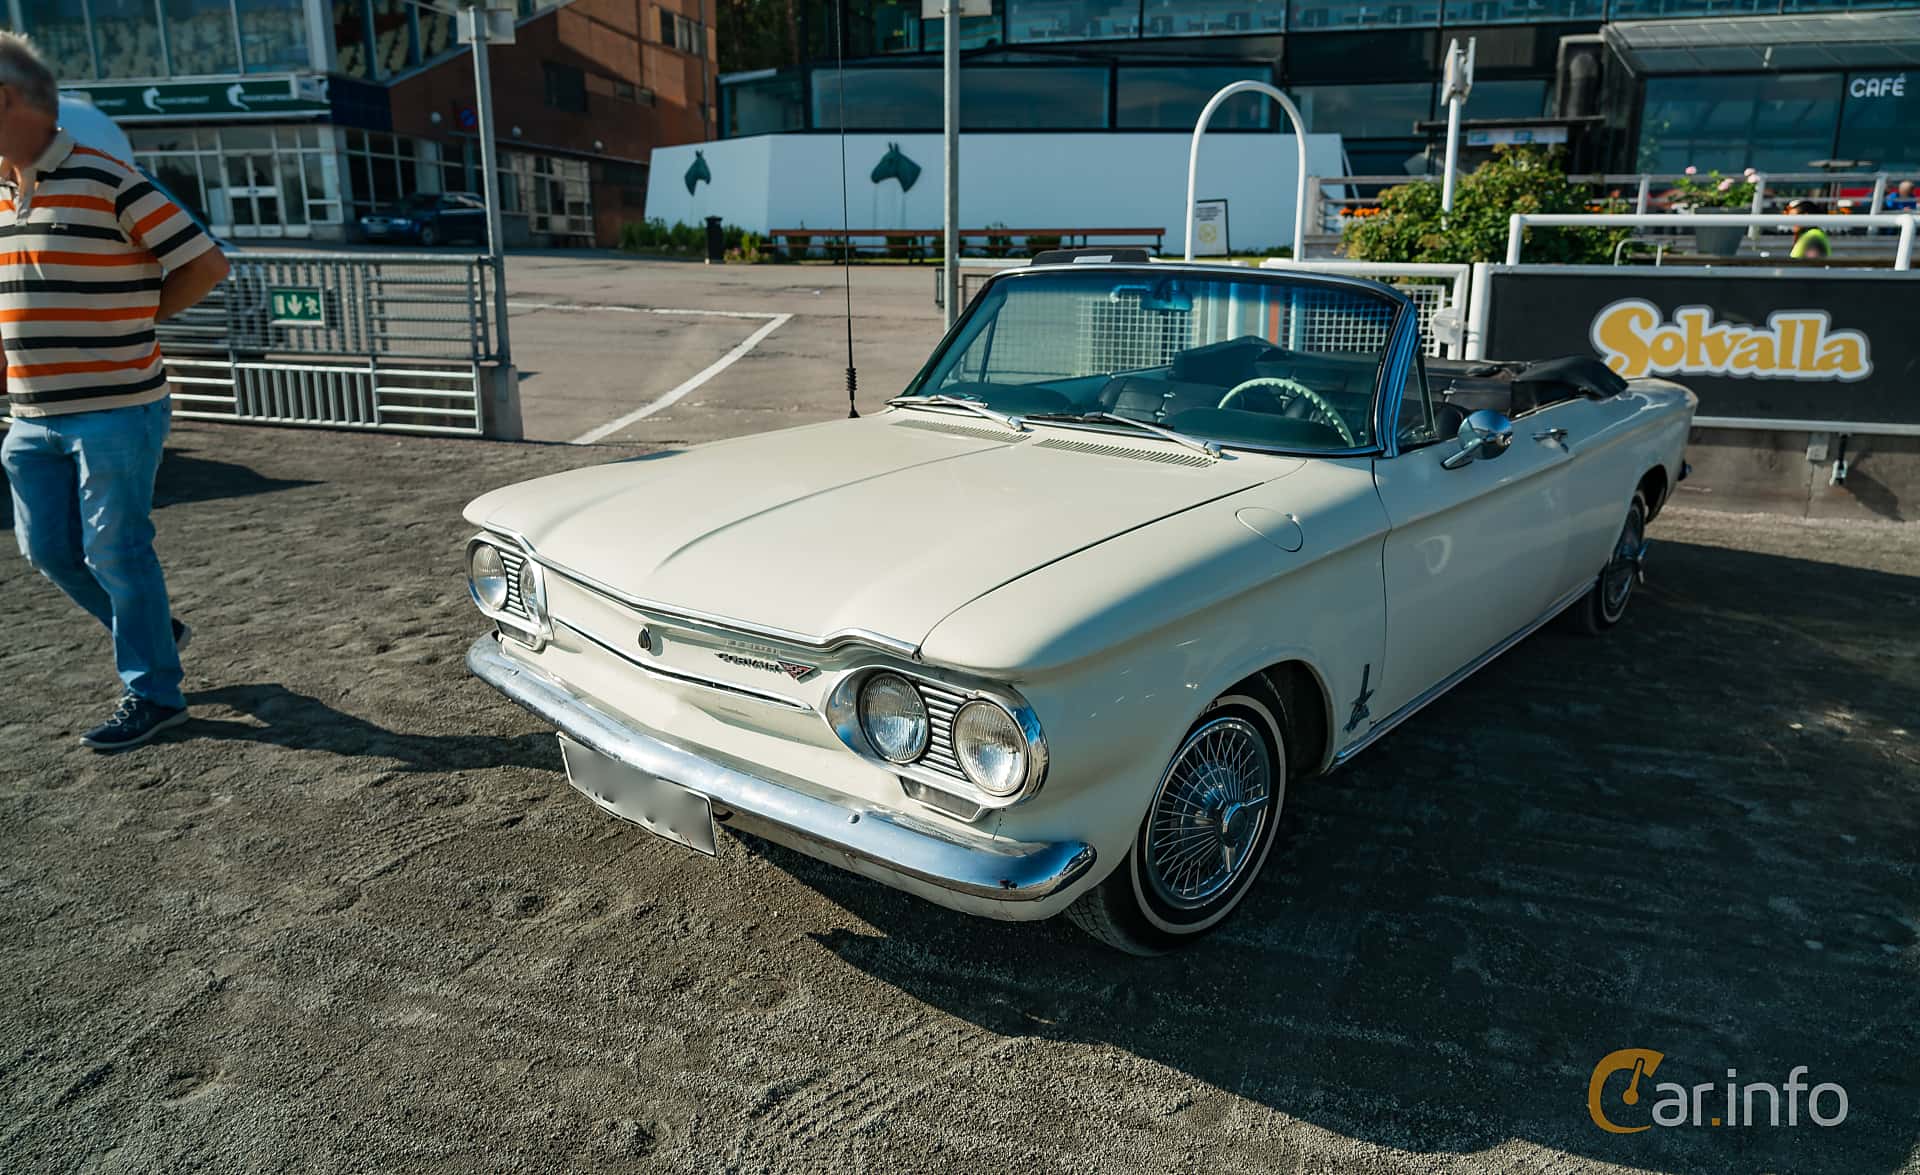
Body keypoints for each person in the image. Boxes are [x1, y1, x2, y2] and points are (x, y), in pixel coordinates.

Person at [0, 32, 229, 750]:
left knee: (118, 553)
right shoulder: (2, 195)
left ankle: (155, 693)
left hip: (115, 408)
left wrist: (142, 313)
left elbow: (204, 263)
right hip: (30, 416)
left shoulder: (108, 179)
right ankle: (158, 632)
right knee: (49, 553)